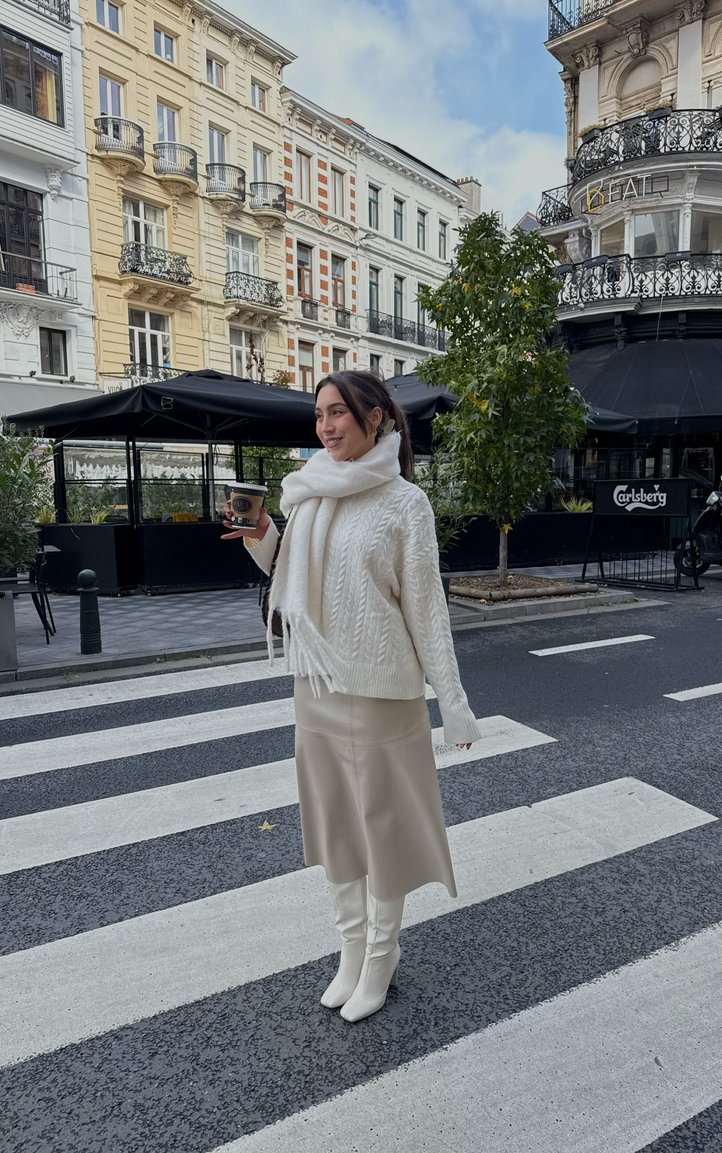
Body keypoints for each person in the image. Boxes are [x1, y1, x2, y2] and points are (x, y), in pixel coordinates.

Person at [222, 370, 479, 1022]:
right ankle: (351, 948)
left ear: (375, 418)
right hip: (316, 685)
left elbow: (427, 609)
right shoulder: (307, 495)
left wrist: (452, 700)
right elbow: (289, 576)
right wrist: (262, 539)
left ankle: (382, 955)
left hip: (381, 694)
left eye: (338, 412)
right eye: (319, 415)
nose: (326, 425)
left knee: (383, 832)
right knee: (337, 827)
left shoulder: (403, 502)